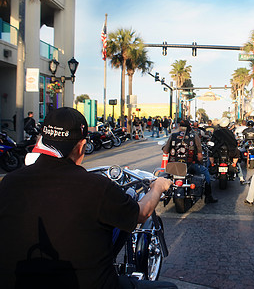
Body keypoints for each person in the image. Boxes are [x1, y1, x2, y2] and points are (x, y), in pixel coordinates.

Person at [0, 107, 177, 289]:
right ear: (82, 146)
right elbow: (141, 213)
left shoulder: (9, 182)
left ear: (41, 140)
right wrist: (158, 187)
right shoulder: (97, 187)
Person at [162, 119, 218, 204]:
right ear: (189, 127)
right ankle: (208, 196)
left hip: (173, 166)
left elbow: (165, 151)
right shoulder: (194, 136)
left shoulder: (173, 136)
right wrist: (200, 162)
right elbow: (200, 156)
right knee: (206, 172)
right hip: (189, 165)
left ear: (179, 127)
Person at [209, 117, 243, 183]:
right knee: (238, 153)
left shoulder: (216, 132)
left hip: (217, 153)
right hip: (230, 153)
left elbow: (212, 142)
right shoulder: (230, 133)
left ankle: (212, 164)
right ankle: (234, 164)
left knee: (210, 153)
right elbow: (235, 143)